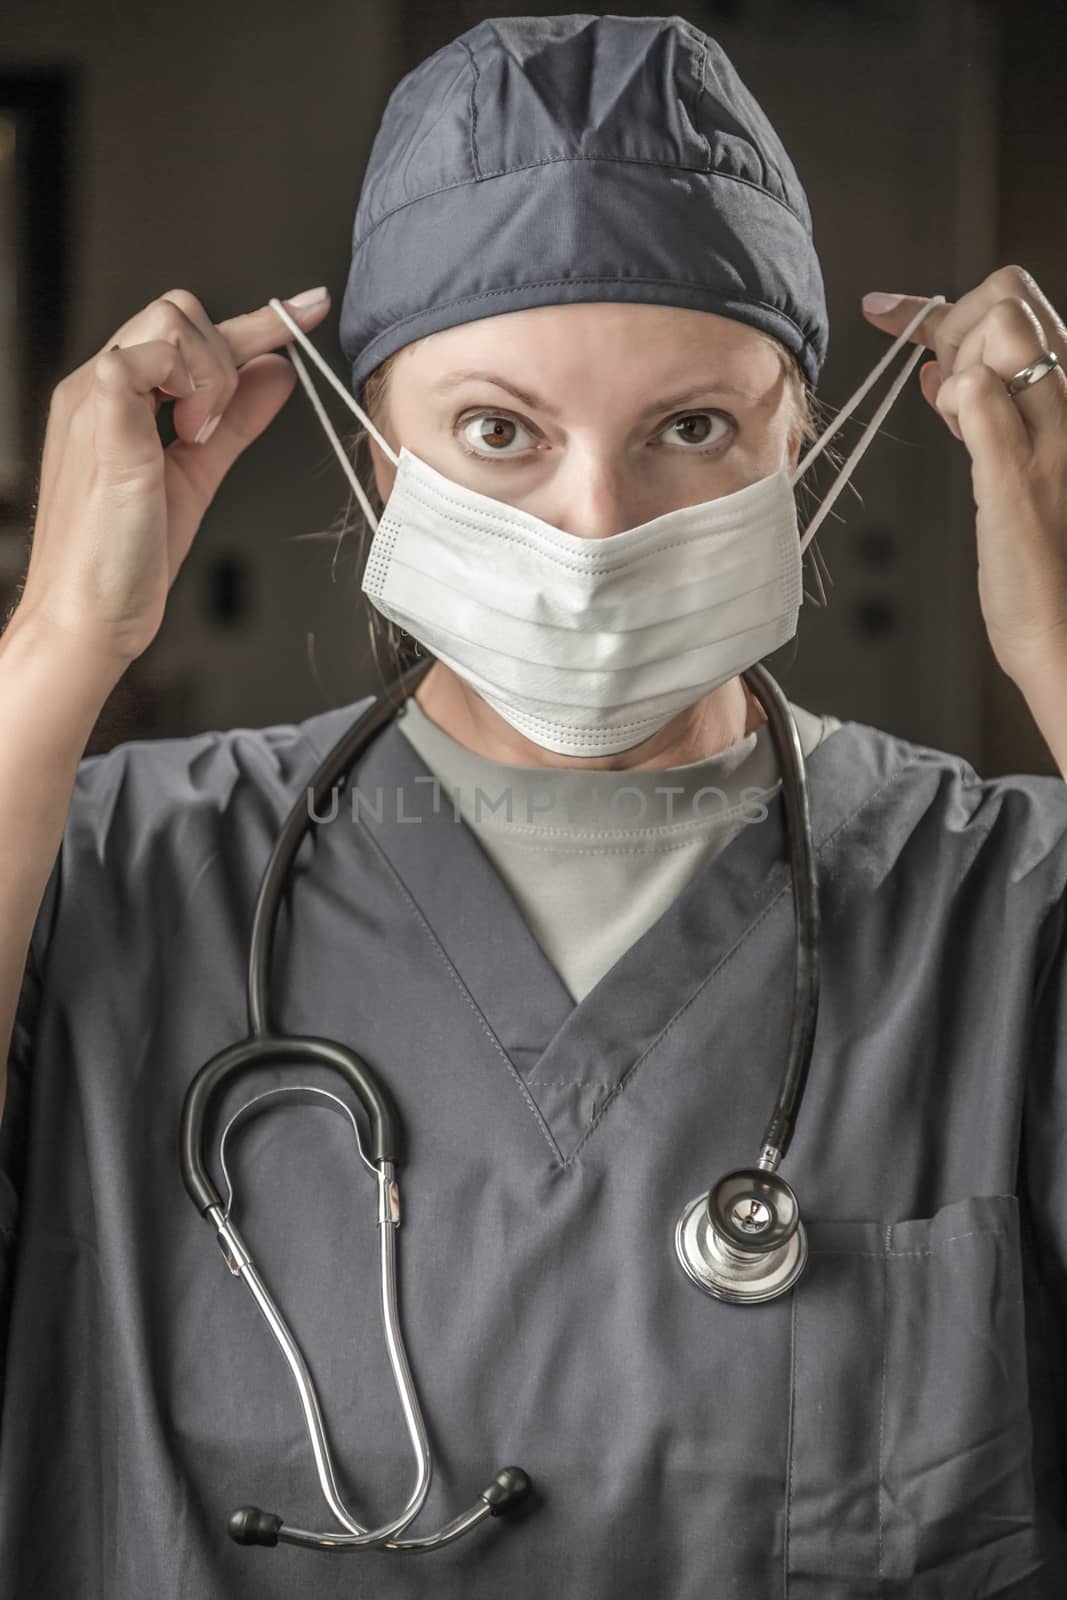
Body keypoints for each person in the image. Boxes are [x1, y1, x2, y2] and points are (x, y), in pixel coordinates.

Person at [2, 11, 1066, 1595]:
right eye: (499, 433)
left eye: (690, 430)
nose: (592, 529)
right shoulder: (106, 863)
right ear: (378, 453)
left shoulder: (1001, 899)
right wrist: (54, 647)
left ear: (805, 440)